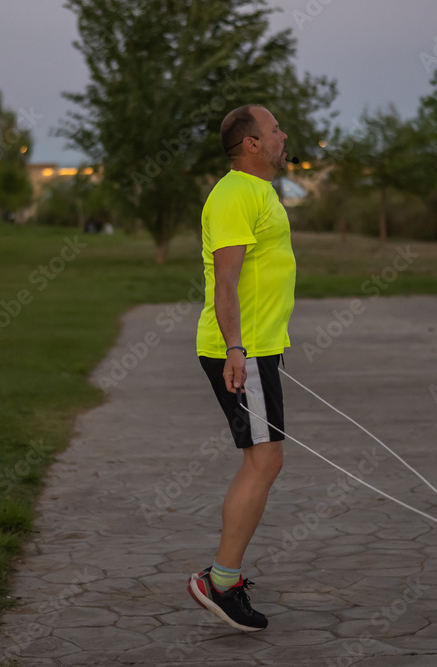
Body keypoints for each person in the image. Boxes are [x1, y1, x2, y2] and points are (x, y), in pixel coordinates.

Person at [187, 104, 294, 632]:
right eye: (274, 130)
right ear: (251, 143)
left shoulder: (259, 191)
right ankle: (221, 582)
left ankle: (223, 578)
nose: (283, 135)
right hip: (241, 350)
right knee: (264, 461)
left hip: (257, 348)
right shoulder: (234, 195)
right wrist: (236, 349)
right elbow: (225, 282)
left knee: (264, 460)